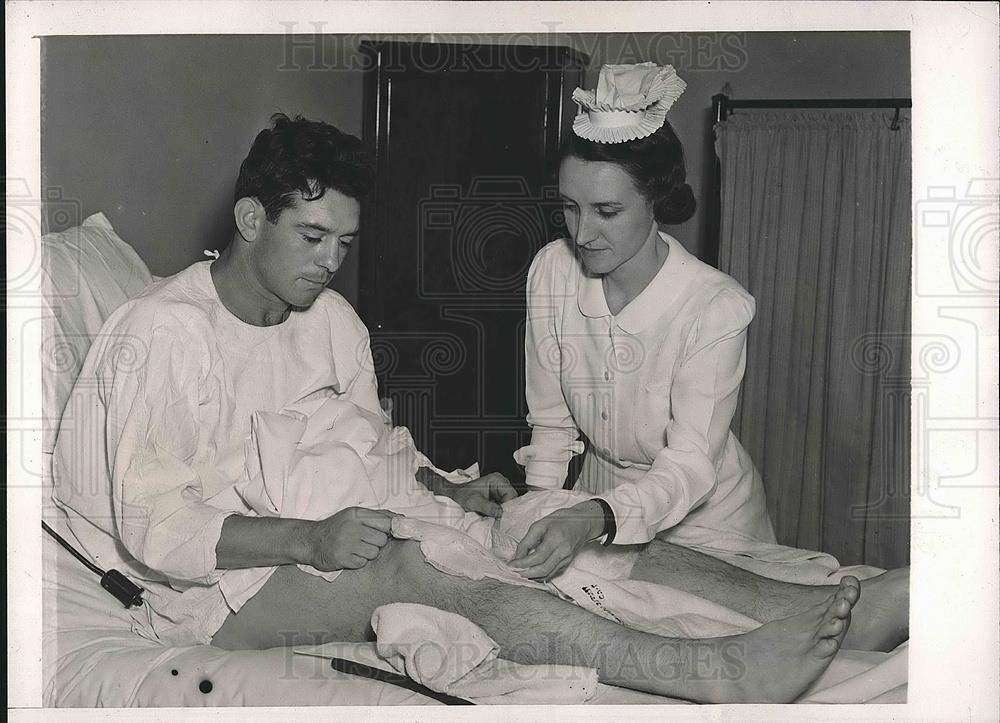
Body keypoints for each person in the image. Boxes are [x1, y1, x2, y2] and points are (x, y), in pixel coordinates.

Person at [52, 113, 887, 704]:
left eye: (345, 242)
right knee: (426, 570)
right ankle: (715, 671)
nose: (332, 262)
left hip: (327, 521)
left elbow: (373, 446)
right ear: (249, 218)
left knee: (543, 524)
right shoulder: (162, 334)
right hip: (214, 585)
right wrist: (308, 538)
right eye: (312, 237)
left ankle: (821, 609)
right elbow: (156, 526)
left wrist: (447, 490)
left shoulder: (330, 320)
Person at [510, 63, 776, 580]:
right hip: (591, 509)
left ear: (654, 201)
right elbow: (550, 423)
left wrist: (593, 517)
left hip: (702, 519)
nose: (582, 234)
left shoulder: (715, 307)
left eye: (606, 211)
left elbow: (690, 464)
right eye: (570, 207)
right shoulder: (553, 270)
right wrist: (538, 512)